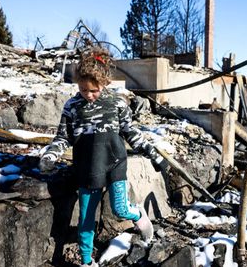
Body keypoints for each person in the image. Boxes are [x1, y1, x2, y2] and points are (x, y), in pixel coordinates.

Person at [38, 46, 163, 267]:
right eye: (84, 90)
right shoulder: (73, 107)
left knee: (120, 208)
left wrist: (151, 152)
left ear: (104, 83)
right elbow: (62, 137)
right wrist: (51, 156)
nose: (89, 95)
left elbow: (130, 132)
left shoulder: (117, 104)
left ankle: (139, 216)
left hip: (115, 163)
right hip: (87, 167)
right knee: (86, 218)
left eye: (94, 90)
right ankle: (87, 261)